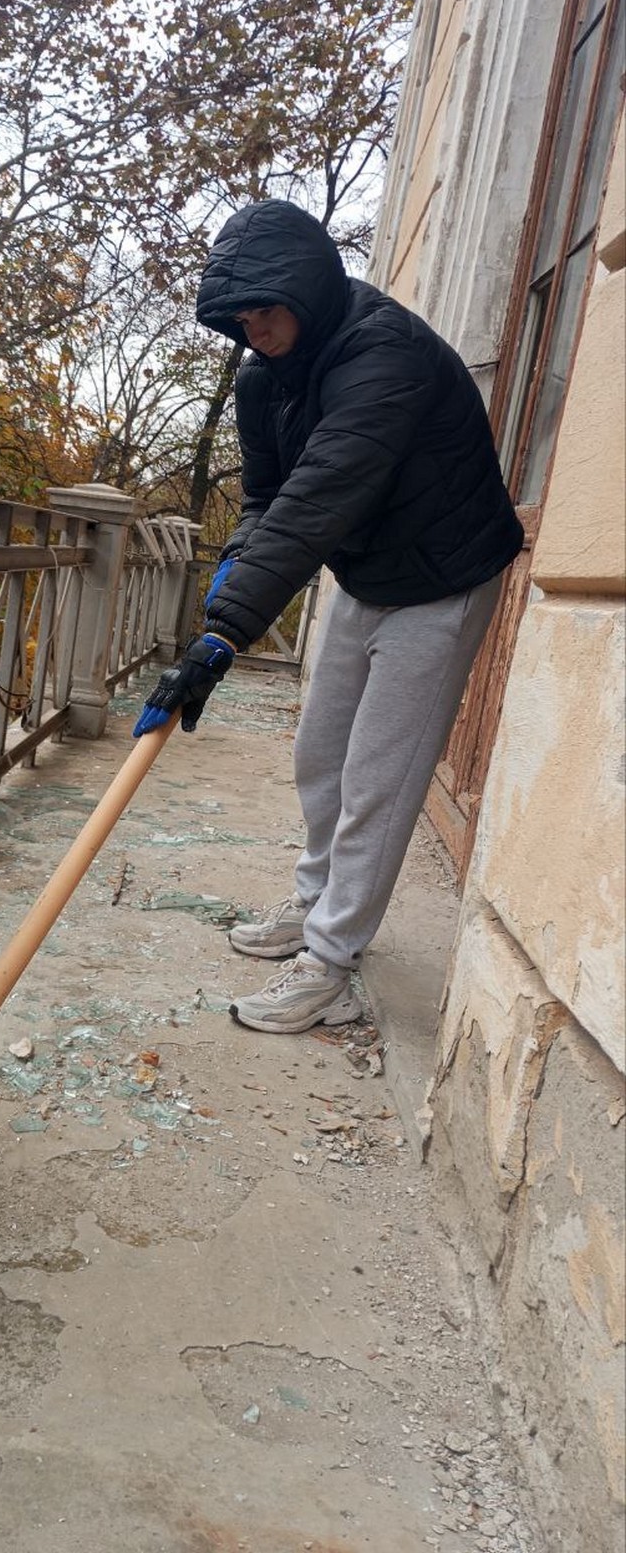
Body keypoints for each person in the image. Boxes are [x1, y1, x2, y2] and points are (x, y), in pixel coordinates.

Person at [135, 198, 524, 1035]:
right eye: (240, 316)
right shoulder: (260, 375)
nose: (255, 328)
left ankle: (332, 964)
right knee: (321, 751)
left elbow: (317, 501)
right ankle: (314, 903)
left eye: (267, 310)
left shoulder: (386, 355)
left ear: (306, 292)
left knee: (379, 780)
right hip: (367, 570)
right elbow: (268, 499)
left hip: (444, 577)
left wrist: (227, 633)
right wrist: (228, 586)